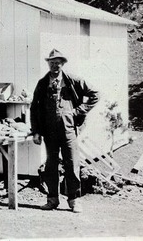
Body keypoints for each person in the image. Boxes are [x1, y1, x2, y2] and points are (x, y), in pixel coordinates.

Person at [30, 49, 99, 213]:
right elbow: (35, 108)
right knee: (51, 165)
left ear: (63, 64)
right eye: (52, 62)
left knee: (72, 164)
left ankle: (74, 201)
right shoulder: (42, 83)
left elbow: (95, 95)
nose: (55, 65)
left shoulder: (73, 80)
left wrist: (78, 111)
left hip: (68, 130)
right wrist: (36, 131)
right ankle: (52, 200)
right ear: (48, 63)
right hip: (49, 131)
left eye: (58, 62)